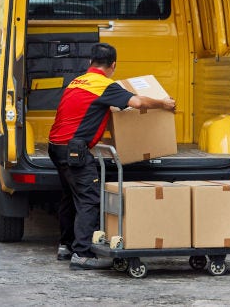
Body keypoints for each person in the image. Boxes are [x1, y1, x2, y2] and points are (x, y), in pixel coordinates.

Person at [48, 43, 176, 270]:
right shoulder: (105, 85)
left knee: (70, 196)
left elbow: (83, 114)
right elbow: (137, 103)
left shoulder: (77, 81)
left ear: (90, 63)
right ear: (113, 65)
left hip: (56, 146)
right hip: (74, 150)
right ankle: (82, 253)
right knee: (89, 200)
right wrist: (162, 103)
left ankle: (65, 246)